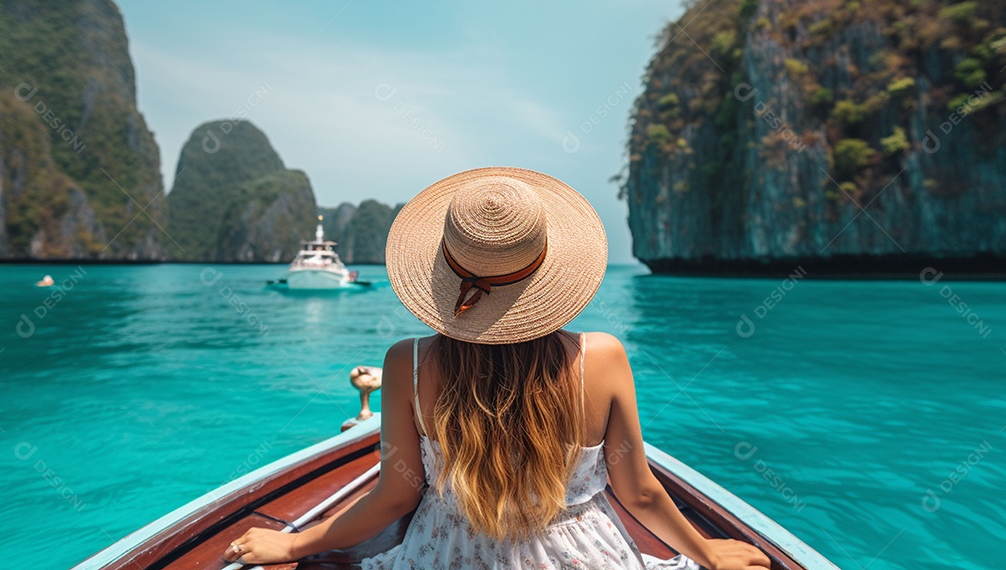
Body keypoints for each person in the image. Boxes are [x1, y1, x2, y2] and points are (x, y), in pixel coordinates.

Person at [222, 167, 771, 570]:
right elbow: (640, 492)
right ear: (549, 270)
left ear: (443, 265)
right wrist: (704, 553)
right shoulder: (602, 358)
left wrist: (294, 544)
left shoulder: (406, 364)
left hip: (448, 553)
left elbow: (395, 497)